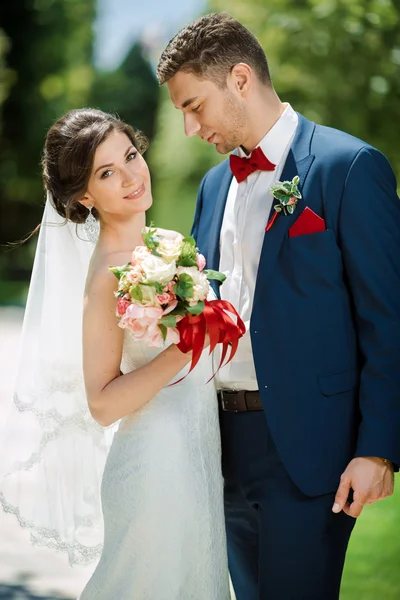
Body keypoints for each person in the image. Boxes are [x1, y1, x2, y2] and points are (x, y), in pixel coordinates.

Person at [156, 12, 400, 600]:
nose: (190, 128)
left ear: (240, 79)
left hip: (310, 453)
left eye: (194, 106)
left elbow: (387, 321)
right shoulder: (214, 186)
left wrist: (378, 449)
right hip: (219, 449)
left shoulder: (350, 167)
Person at [0, 108, 231, 600]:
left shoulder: (158, 247)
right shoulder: (108, 274)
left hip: (195, 456)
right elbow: (101, 404)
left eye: (130, 155)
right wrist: (188, 344)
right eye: (107, 173)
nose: (131, 176)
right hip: (153, 471)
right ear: (84, 195)